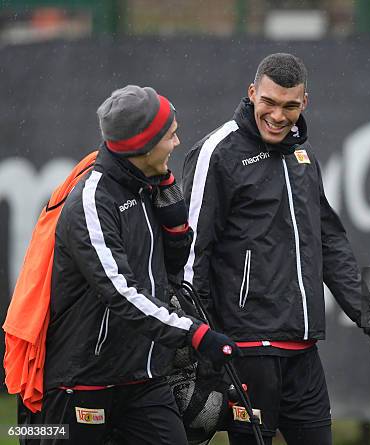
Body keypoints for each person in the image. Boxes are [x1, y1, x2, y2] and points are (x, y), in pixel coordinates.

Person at [182, 53, 370, 445]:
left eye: (290, 106)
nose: (278, 116)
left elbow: (330, 244)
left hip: (302, 350)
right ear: (252, 93)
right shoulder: (217, 152)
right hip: (245, 349)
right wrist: (204, 343)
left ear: (305, 103)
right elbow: (190, 256)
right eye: (269, 102)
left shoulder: (303, 156)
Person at [32, 85, 240, 444]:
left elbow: (169, 274)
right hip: (82, 382)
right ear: (142, 145)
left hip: (145, 381)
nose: (177, 143)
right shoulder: (93, 199)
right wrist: (194, 333)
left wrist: (176, 226)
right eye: (170, 135)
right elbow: (121, 292)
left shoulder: (150, 186)